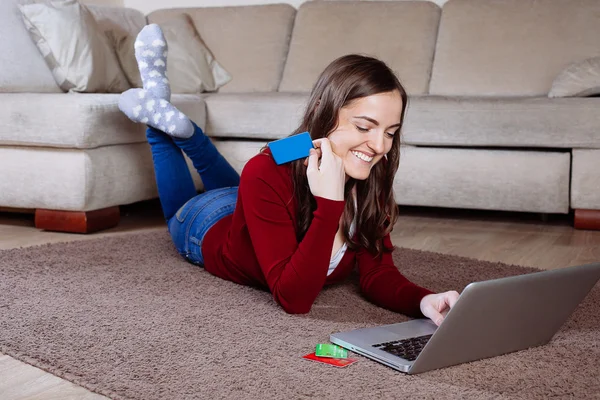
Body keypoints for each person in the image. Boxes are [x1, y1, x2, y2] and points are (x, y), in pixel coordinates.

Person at [119, 24, 459, 325]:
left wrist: (422, 301)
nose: (379, 145)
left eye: (390, 132)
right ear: (324, 114)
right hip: (205, 224)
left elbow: (378, 272)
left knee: (249, 180)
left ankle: (183, 129)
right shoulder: (268, 171)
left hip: (249, 201)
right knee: (185, 203)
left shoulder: (371, 170)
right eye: (364, 126)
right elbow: (294, 300)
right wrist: (329, 204)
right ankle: (164, 119)